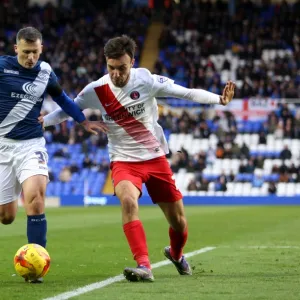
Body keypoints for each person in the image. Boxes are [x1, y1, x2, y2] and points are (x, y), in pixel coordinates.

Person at [43, 35, 235, 282]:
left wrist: (218, 99)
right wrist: (43, 122)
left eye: (121, 68)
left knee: (179, 223)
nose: (116, 74)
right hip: (123, 160)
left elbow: (185, 93)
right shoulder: (96, 89)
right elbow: (68, 109)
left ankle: (176, 254)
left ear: (132, 62)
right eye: (111, 68)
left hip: (155, 158)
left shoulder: (146, 80)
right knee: (128, 201)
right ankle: (144, 265)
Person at [0, 27, 106, 283]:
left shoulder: (45, 72)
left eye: (35, 52)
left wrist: (83, 121)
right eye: (25, 52)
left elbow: (64, 99)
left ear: (41, 49)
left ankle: (36, 268)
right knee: (7, 216)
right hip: (3, 146)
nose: (30, 58)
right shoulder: (2, 67)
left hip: (31, 145)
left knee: (35, 197)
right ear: (16, 49)